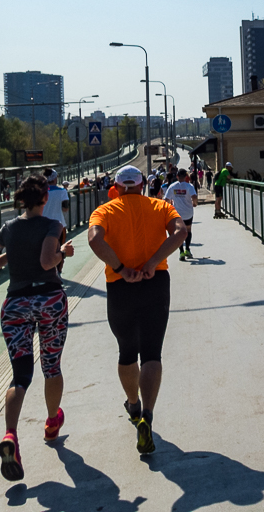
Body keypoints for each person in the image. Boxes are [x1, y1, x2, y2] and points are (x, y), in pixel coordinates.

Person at [87, 165, 187, 455]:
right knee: (152, 352)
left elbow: (94, 239)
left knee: (127, 351)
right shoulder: (159, 206)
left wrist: (119, 267)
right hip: (155, 282)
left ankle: (133, 406)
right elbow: (180, 232)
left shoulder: (104, 211)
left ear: (116, 188)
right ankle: (148, 415)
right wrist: (154, 261)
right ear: (142, 185)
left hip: (120, 285)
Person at [0, 174, 74, 481]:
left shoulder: (8, 228)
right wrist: (65, 253)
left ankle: (10, 435)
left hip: (16, 304)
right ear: (45, 198)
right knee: (51, 366)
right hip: (48, 300)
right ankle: (51, 421)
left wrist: (13, 253)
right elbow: (49, 262)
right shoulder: (52, 226)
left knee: (20, 375)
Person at [164, 169, 198, 260]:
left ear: (177, 176)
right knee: (188, 230)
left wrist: (169, 207)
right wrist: (195, 203)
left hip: (177, 213)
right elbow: (194, 196)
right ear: (186, 177)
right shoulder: (189, 186)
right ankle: (187, 249)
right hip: (188, 212)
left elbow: (166, 199)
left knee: (179, 232)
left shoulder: (172, 186)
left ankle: (181, 252)